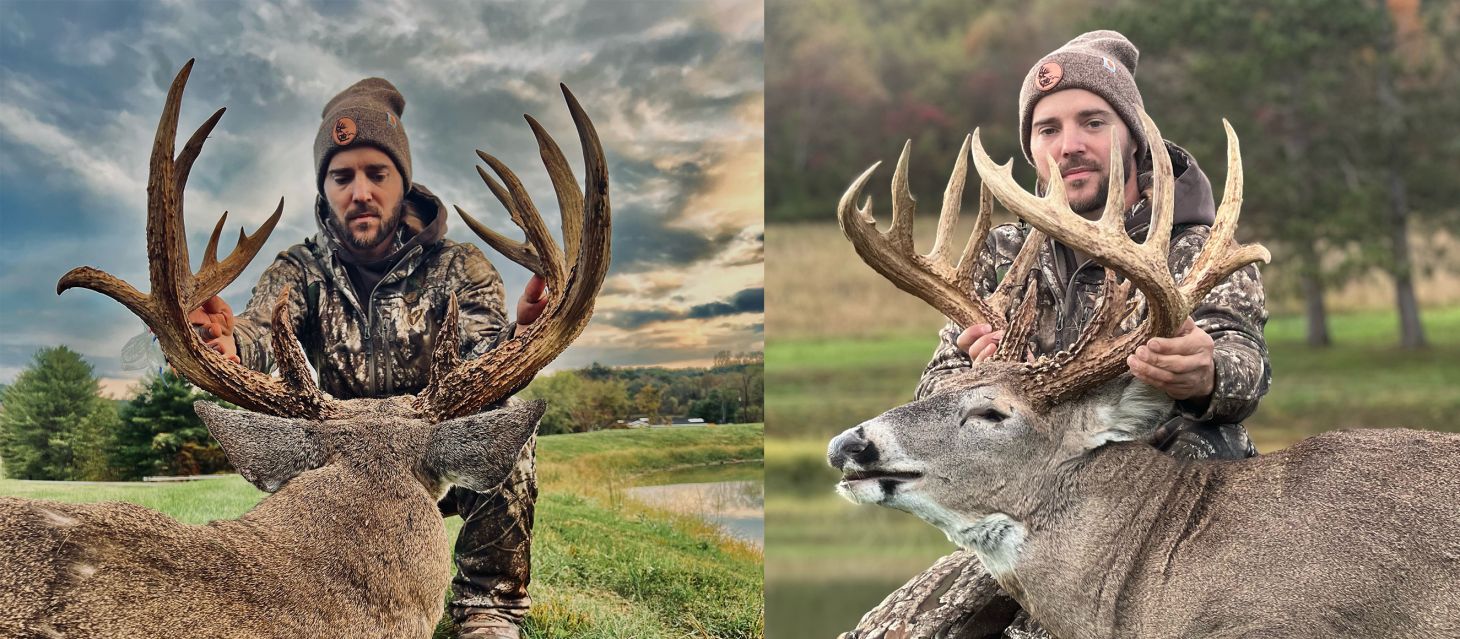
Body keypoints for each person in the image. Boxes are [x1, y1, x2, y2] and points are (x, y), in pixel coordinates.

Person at [885, 30, 1270, 637]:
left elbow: (1245, 365)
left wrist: (1209, 372)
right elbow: (932, 392)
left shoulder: (1196, 249)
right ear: (1034, 150)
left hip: (1176, 507)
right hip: (1044, 504)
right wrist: (964, 372)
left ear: (1133, 135)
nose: (1071, 145)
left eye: (1093, 121)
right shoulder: (1003, 257)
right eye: (1048, 130)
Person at [188, 78, 545, 639]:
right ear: (324, 187)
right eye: (342, 176)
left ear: (403, 182)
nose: (360, 192)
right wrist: (230, 346)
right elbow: (261, 331)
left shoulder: (459, 266)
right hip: (339, 472)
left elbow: (483, 359)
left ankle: (487, 604)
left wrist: (519, 336)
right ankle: (313, 582)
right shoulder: (298, 270)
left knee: (506, 415)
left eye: (377, 174)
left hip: (432, 462)